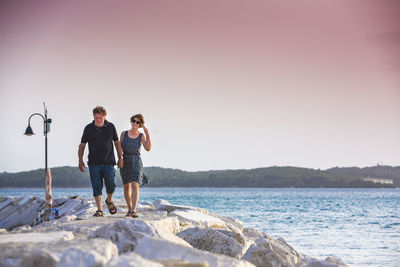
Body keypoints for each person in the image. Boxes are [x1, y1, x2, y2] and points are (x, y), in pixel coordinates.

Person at [78, 106, 123, 217]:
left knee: (111, 185)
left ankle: (109, 200)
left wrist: (120, 157)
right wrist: (80, 160)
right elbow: (82, 145)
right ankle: (100, 210)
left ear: (104, 117)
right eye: (96, 117)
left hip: (109, 162)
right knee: (96, 186)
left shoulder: (111, 127)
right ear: (93, 117)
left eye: (100, 118)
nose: (98, 120)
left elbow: (117, 143)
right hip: (94, 163)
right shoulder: (88, 128)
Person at [120, 114, 151, 218]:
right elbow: (119, 147)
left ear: (140, 124)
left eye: (137, 122)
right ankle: (129, 209)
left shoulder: (141, 136)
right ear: (131, 121)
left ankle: (133, 211)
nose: (135, 123)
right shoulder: (123, 134)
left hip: (136, 161)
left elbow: (148, 148)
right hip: (125, 161)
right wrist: (120, 159)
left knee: (135, 184)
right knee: (126, 187)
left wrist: (147, 134)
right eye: (133, 121)